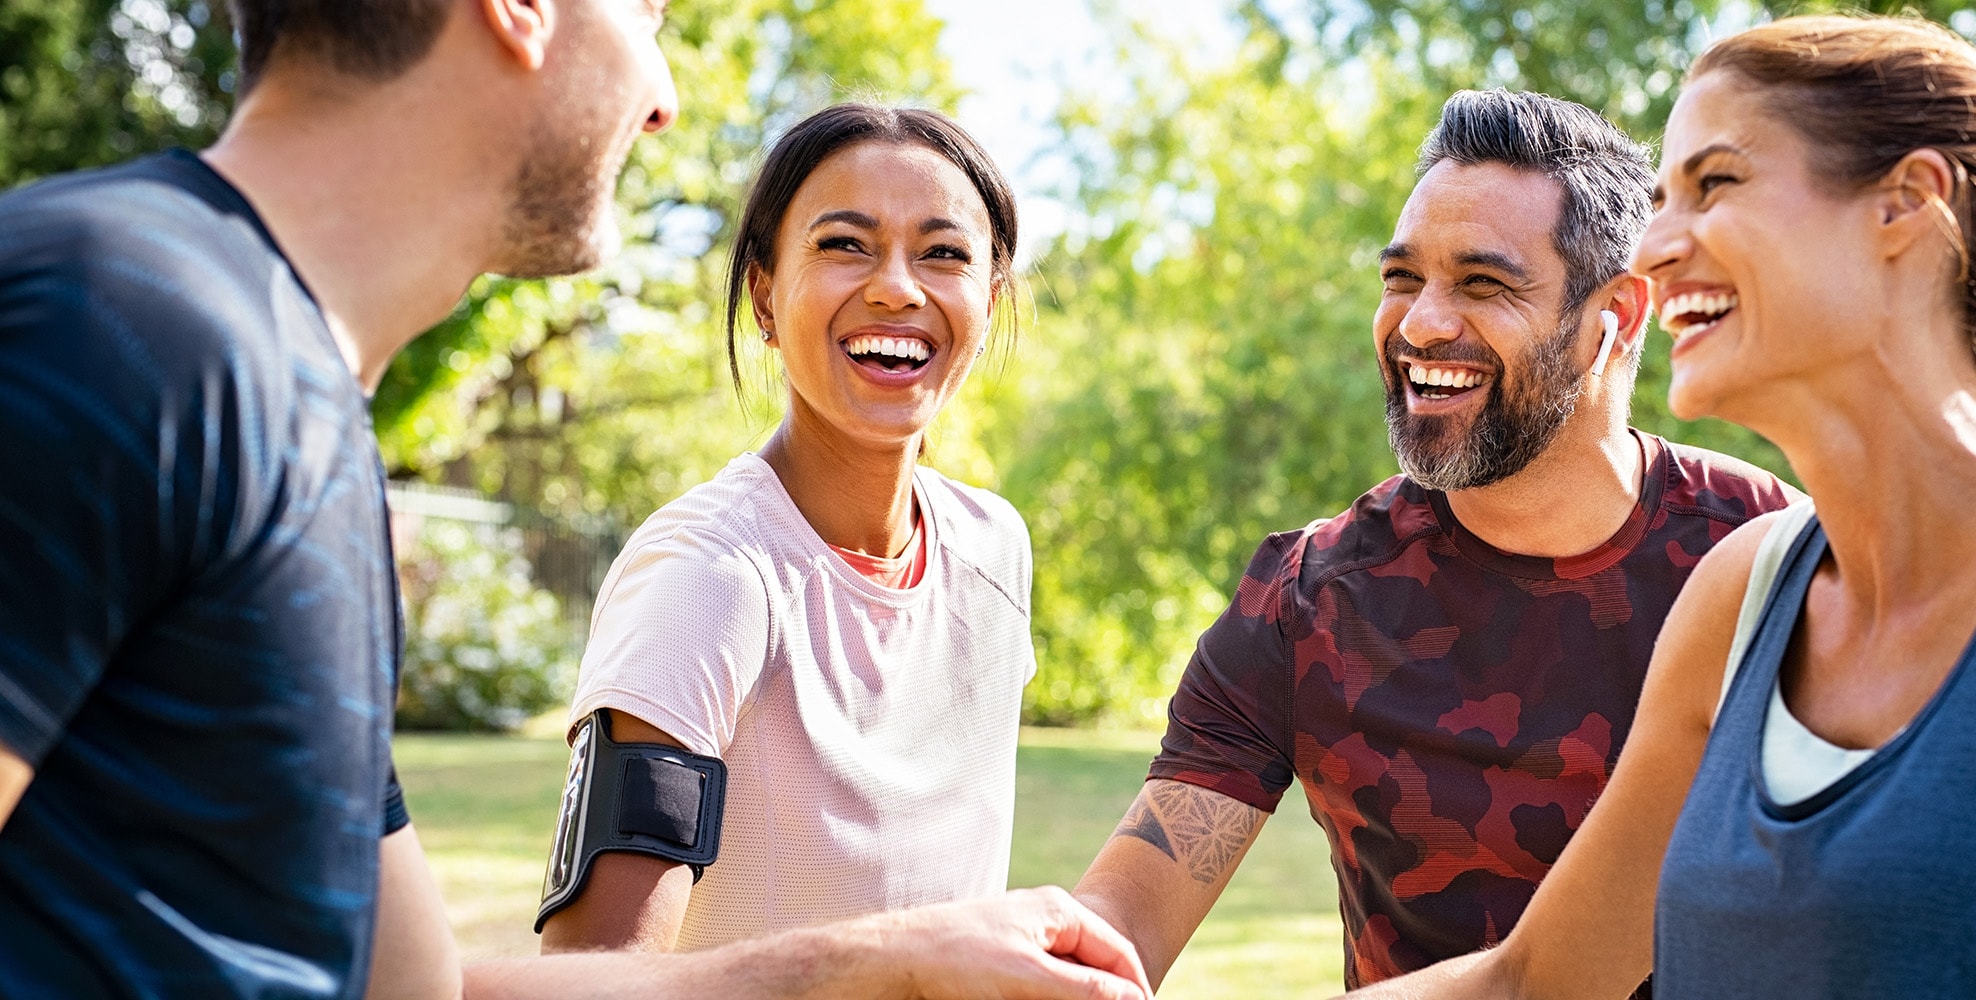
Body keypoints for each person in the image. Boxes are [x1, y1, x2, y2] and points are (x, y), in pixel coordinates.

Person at [0, 1, 1146, 998]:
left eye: (944, 253)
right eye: (647, 11)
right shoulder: (113, 324)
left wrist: (896, 960)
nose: (664, 102)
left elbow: (405, 990)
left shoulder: (308, 421)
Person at [1346, 15, 1976, 1000]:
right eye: (1660, 199)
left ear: (1905, 205)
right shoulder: (1743, 594)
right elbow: (1532, 978)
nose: (1656, 248)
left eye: (1712, 185)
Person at [1071, 89, 1794, 992]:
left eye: (1484, 284)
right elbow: (1119, 928)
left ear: (1618, 316)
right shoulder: (1308, 600)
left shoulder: (1772, 557)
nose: (1420, 325)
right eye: (1403, 278)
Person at [534, 103, 1041, 953]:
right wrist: (894, 963)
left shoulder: (995, 549)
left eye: (944, 253)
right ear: (765, 297)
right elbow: (594, 977)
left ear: (987, 302)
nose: (897, 286)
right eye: (845, 244)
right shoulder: (705, 576)